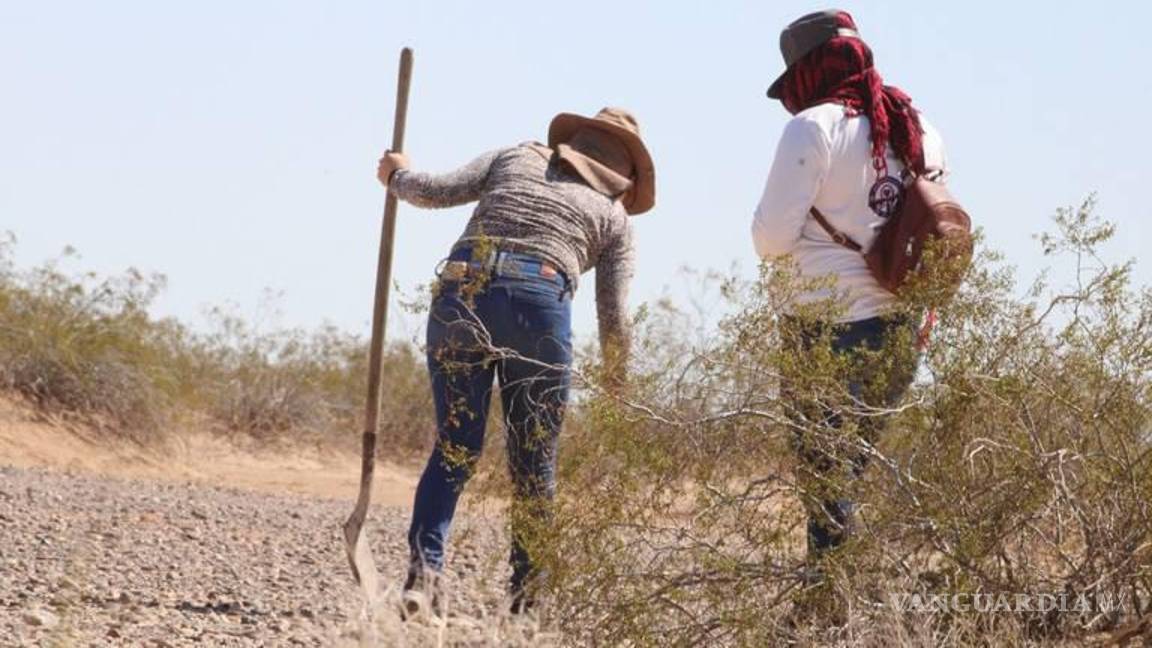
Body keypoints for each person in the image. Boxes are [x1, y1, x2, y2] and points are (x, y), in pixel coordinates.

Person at [376, 107, 655, 614]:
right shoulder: (614, 218)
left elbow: (432, 191)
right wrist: (619, 384)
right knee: (534, 468)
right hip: (538, 304)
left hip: (463, 290)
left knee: (455, 449)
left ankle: (423, 575)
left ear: (574, 141)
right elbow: (613, 314)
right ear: (624, 176)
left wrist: (397, 175)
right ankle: (526, 603)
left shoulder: (516, 156)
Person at [750, 10, 948, 571]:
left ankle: (830, 603)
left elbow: (771, 239)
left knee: (825, 481)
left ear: (807, 72)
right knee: (849, 474)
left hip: (823, 325)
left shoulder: (813, 127)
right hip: (902, 328)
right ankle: (846, 597)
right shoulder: (921, 127)